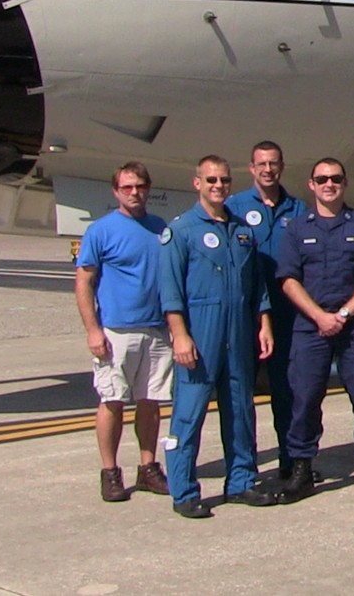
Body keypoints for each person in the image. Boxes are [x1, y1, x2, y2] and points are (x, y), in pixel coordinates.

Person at [158, 155, 278, 518]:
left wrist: (265, 323)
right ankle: (184, 491)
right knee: (189, 414)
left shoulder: (242, 231)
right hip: (200, 332)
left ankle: (241, 481)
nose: (218, 187)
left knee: (241, 409)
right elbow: (170, 291)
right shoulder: (180, 231)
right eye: (211, 180)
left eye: (224, 181)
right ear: (197, 183)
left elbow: (256, 286)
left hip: (239, 331)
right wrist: (180, 336)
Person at [275, 158, 354, 502]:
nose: (329, 184)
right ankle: (301, 469)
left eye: (336, 179)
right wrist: (319, 316)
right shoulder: (297, 228)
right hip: (311, 328)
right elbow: (288, 279)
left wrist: (342, 313)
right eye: (322, 179)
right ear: (311, 185)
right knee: (305, 399)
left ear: (345, 184)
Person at [74, 161, 172, 502]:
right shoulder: (100, 231)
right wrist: (93, 330)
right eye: (127, 187)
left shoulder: (159, 228)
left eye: (140, 186)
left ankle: (148, 468)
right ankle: (110, 472)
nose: (134, 192)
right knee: (112, 401)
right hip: (116, 330)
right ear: (116, 191)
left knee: (151, 402)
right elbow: (84, 281)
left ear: (148, 189)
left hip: (156, 329)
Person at [225, 141, 307, 479]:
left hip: (288, 314)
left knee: (288, 392)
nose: (268, 169)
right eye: (262, 164)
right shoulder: (234, 207)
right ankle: (243, 467)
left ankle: (292, 460)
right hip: (247, 315)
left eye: (273, 163)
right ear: (251, 168)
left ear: (281, 167)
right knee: (240, 393)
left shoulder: (298, 208)